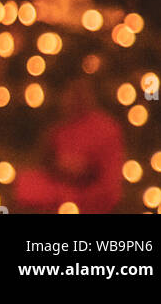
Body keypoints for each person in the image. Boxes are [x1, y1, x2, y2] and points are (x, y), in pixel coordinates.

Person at [14, 76, 124, 213]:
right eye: (70, 93)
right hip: (60, 187)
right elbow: (46, 164)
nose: (74, 98)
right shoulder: (61, 127)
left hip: (93, 191)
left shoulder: (106, 128)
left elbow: (109, 178)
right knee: (28, 183)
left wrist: (84, 169)